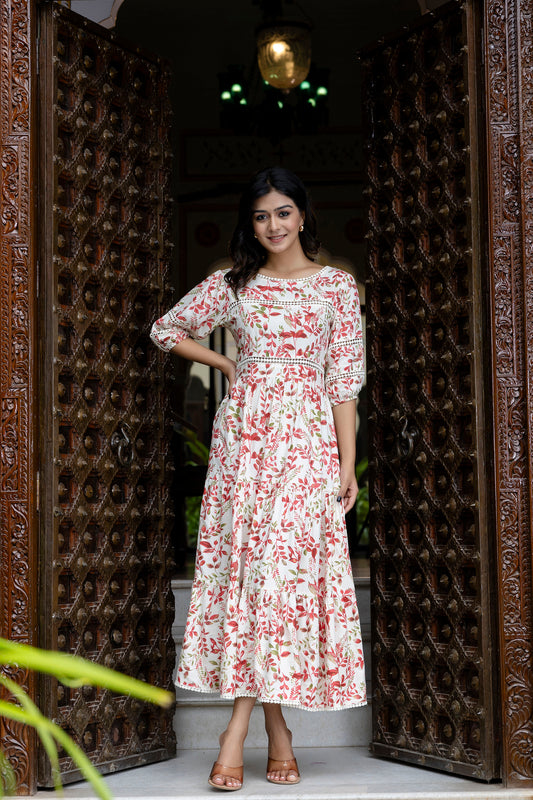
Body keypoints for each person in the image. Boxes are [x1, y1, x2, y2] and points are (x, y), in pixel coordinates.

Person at [150, 166, 367, 790]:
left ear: (303, 215)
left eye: (282, 213)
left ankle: (238, 733)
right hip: (245, 442)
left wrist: (347, 465)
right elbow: (167, 329)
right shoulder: (234, 285)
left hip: (307, 446)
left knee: (281, 580)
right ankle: (271, 734)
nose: (272, 226)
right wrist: (225, 359)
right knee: (255, 578)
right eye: (261, 216)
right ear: (253, 224)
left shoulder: (335, 288)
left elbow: (343, 384)